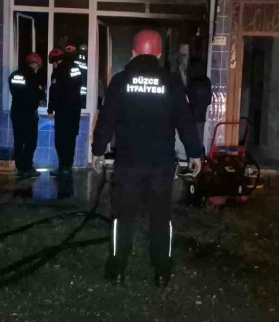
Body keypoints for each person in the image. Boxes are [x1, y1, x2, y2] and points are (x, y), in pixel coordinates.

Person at [91, 29, 203, 288]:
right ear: (159, 54)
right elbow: (185, 122)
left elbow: (106, 120)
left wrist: (98, 150)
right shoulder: (171, 82)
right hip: (161, 165)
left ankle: (117, 270)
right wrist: (195, 153)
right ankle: (162, 272)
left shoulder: (120, 81)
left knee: (123, 217)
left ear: (133, 51)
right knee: (160, 218)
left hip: (128, 164)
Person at [47, 45, 83, 178]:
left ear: (56, 61)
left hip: (63, 111)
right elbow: (78, 85)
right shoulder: (76, 68)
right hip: (75, 110)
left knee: (61, 140)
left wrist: (50, 109)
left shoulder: (57, 72)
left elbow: (53, 92)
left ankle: (63, 167)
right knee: (70, 139)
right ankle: (67, 167)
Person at [9, 52, 45, 180]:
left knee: (18, 142)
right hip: (29, 114)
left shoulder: (13, 75)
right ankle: (28, 168)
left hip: (16, 112)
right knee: (30, 142)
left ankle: (20, 169)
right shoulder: (33, 77)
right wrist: (41, 92)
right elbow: (40, 95)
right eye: (38, 67)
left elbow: (15, 92)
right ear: (35, 64)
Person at [186, 58, 213, 155]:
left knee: (191, 138)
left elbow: (188, 98)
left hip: (191, 114)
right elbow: (209, 100)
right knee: (199, 138)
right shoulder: (206, 81)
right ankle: (200, 158)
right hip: (201, 114)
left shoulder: (192, 82)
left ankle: (192, 159)